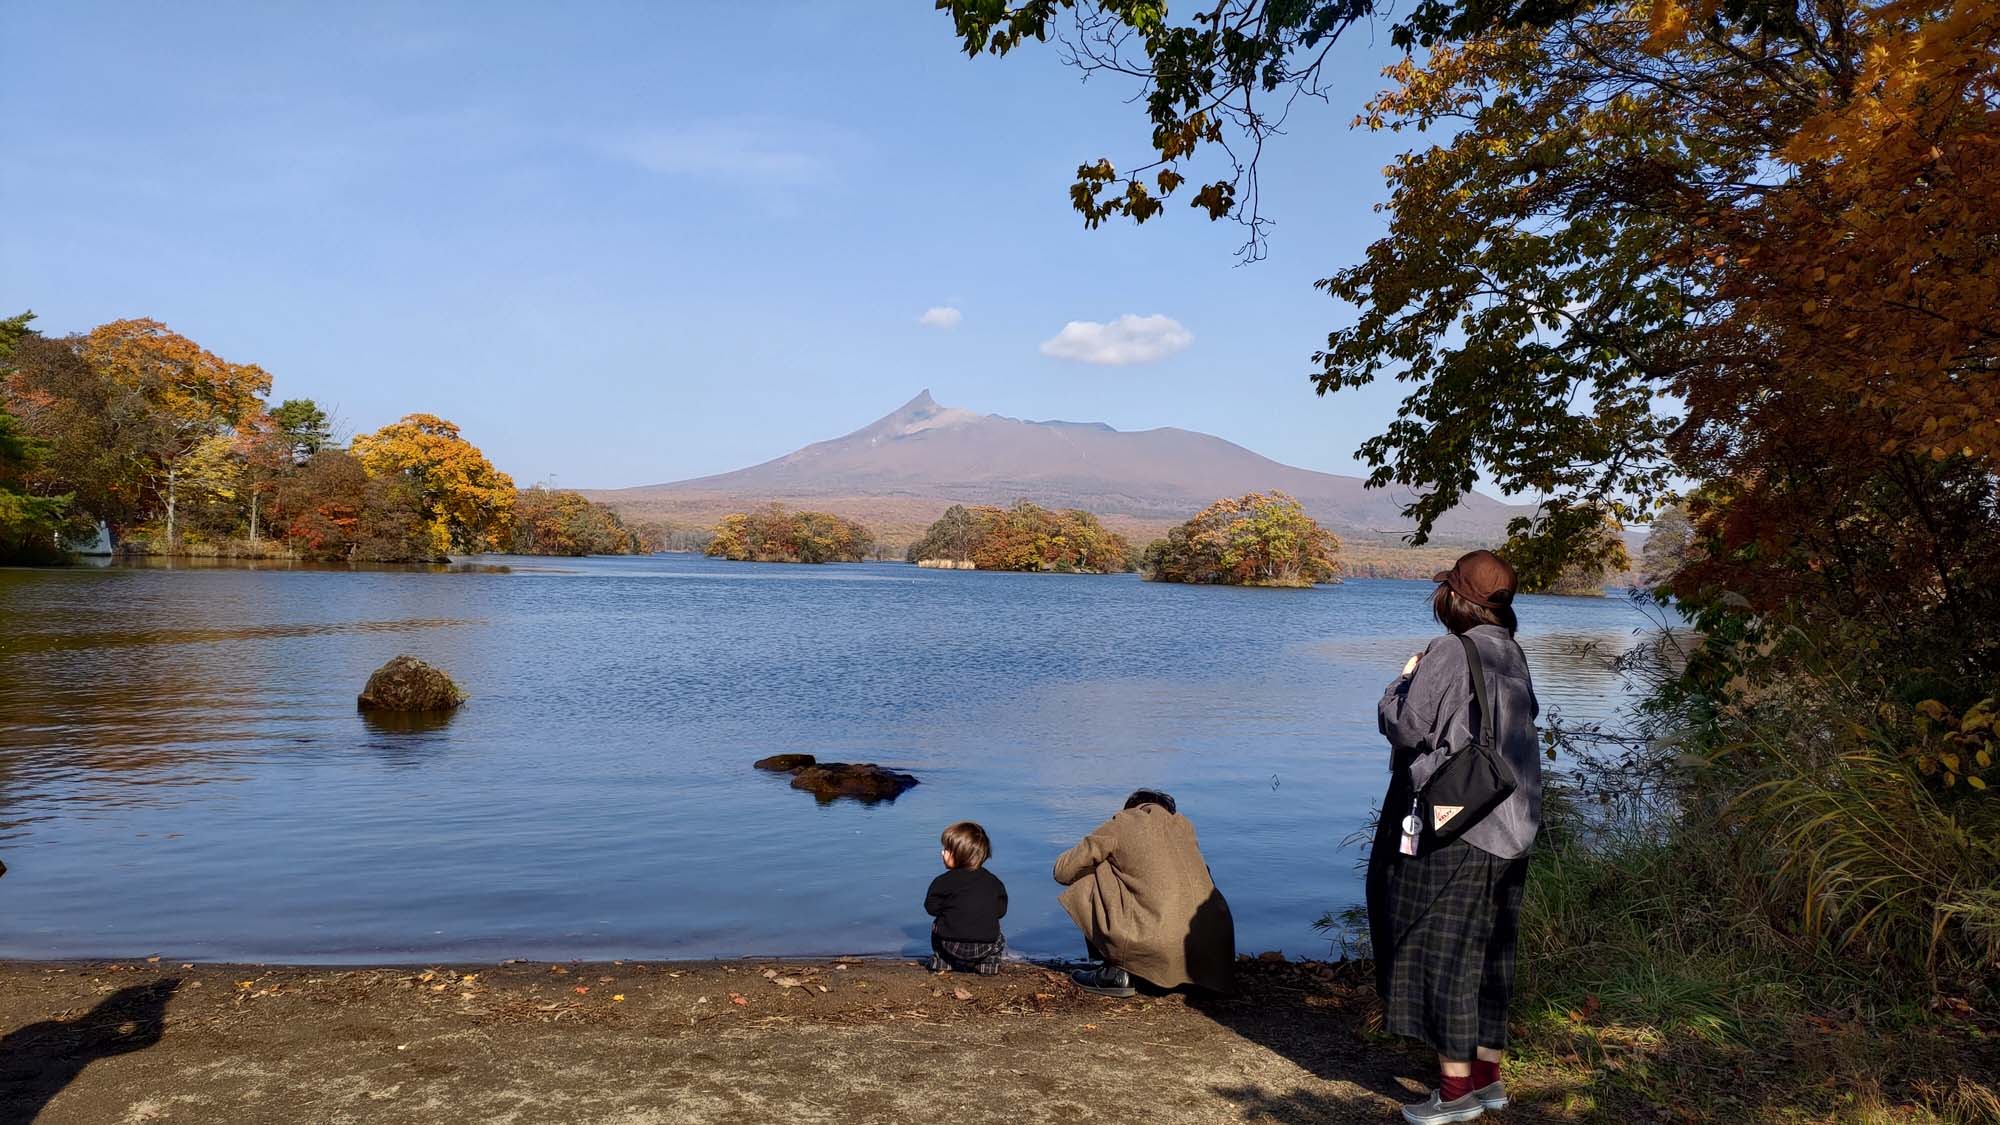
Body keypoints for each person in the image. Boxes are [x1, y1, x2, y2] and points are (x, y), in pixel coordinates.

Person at [1369, 550, 1543, 1124]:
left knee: (1440, 952)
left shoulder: (1449, 651)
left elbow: (1405, 727)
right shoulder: (1511, 652)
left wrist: (1404, 679)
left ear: (1456, 598)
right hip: (1512, 825)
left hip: (1459, 824)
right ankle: (1488, 1081)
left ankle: (1455, 1093)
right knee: (1492, 952)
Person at [1055, 789, 1234, 998]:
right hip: (1213, 959)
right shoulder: (1185, 828)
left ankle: (1116, 972)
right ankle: (1181, 972)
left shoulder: (1124, 821)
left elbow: (1062, 871)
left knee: (1093, 871)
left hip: (1159, 942)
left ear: (1133, 807)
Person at [924, 821, 1008, 974]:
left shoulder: (942, 881)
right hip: (984, 946)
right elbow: (1000, 911)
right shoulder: (994, 882)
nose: (942, 853)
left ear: (958, 855)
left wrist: (950, 910)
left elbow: (931, 908)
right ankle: (987, 964)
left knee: (937, 925)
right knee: (998, 935)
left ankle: (943, 961)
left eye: (946, 849)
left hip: (949, 945)